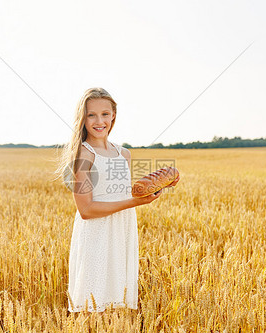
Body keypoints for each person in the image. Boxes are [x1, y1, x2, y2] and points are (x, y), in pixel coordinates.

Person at [53, 87, 180, 313]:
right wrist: (136, 202)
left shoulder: (124, 154)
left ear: (113, 115)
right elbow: (86, 210)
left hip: (122, 230)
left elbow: (120, 193)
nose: (99, 120)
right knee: (93, 302)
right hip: (96, 233)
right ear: (83, 118)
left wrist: (156, 185)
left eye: (105, 114)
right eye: (91, 115)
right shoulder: (83, 155)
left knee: (117, 303)